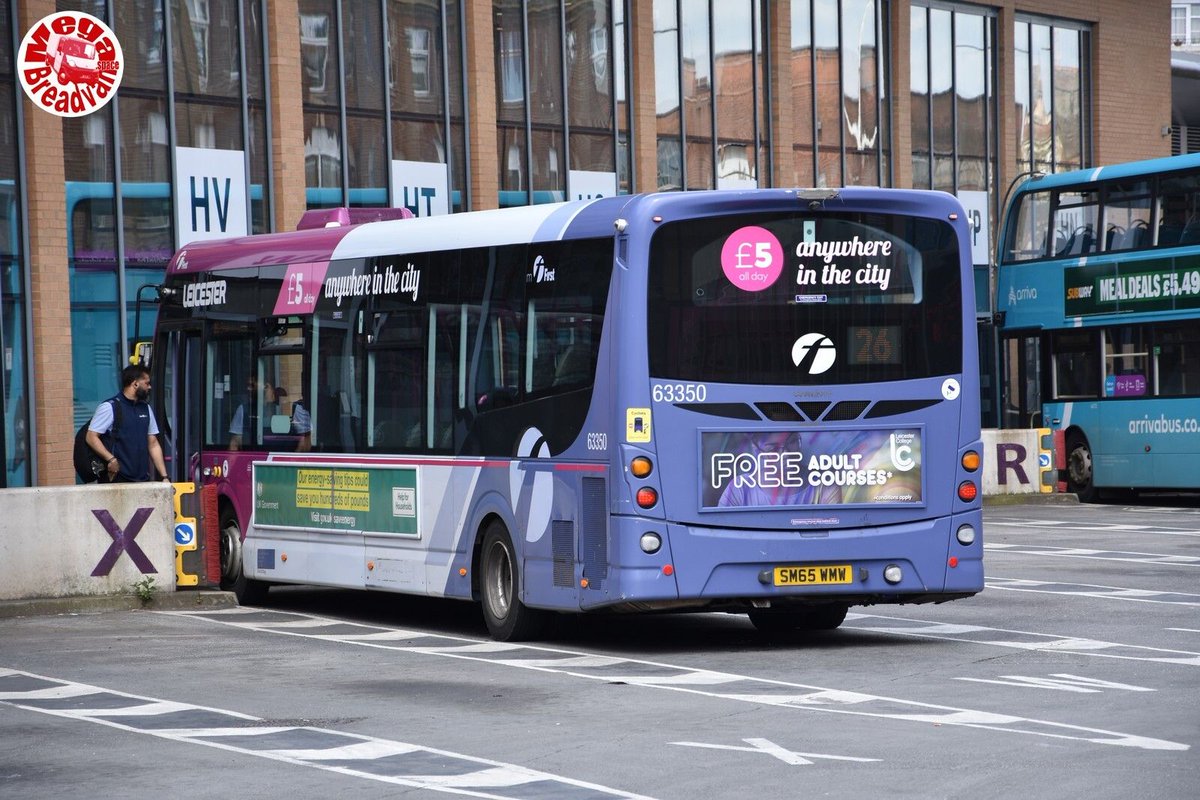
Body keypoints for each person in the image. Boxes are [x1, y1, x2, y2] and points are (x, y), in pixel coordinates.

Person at [86, 365, 171, 483]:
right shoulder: (110, 407)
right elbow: (91, 437)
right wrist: (111, 459)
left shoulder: (145, 408)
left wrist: (164, 476)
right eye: (147, 383)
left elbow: (153, 444)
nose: (150, 387)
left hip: (142, 479)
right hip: (117, 480)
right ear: (135, 384)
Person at [228, 377, 277, 451]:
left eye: (252, 385)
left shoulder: (276, 410)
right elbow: (234, 443)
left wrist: (269, 398)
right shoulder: (243, 409)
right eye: (248, 385)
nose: (248, 389)